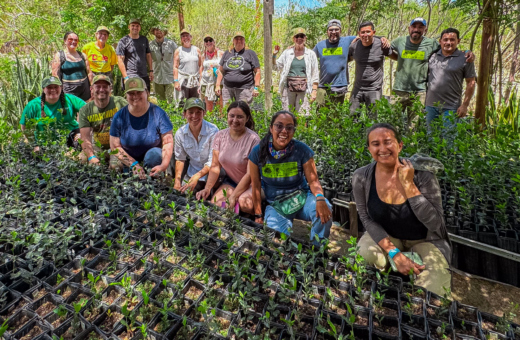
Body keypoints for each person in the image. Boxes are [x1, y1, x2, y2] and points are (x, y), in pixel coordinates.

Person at [352, 123, 451, 295]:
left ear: (400, 145)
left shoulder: (423, 175)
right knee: (364, 255)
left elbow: (436, 223)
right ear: (369, 149)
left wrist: (409, 185)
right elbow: (366, 218)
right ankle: (389, 270)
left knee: (435, 292)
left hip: (425, 241)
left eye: (388, 142)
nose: (382, 148)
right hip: (387, 237)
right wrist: (395, 253)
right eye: (375, 144)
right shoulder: (361, 177)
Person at [249, 111, 332, 245]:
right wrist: (258, 214)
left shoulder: (301, 150)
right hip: (277, 205)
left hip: (302, 199)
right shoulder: (257, 152)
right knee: (275, 243)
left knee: (325, 209)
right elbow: (256, 186)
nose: (284, 131)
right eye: (279, 126)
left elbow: (313, 180)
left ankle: (318, 251)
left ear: (293, 131)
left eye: (289, 127)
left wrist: (320, 198)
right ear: (271, 128)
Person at [389, 18, 474, 126]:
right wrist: (397, 56)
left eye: (420, 27)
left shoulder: (432, 44)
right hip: (399, 90)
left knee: (414, 127)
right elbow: (385, 49)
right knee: (391, 123)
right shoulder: (399, 41)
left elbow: (449, 47)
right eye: (414, 26)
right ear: (409, 28)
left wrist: (467, 51)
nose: (417, 29)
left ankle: (412, 144)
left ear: (425, 29)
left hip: (419, 93)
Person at [196, 101, 260, 214]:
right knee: (217, 206)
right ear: (227, 116)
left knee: (245, 204)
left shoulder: (253, 140)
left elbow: (250, 175)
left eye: (240, 117)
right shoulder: (220, 136)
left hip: (252, 183)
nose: (235, 120)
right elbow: (215, 166)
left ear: (247, 118)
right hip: (231, 181)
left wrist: (234, 196)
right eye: (232, 116)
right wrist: (207, 188)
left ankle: (254, 214)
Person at [109, 77, 173, 179]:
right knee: (115, 164)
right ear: (126, 95)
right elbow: (115, 147)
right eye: (131, 93)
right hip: (127, 155)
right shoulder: (119, 116)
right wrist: (133, 164)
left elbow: (167, 142)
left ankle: (153, 180)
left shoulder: (158, 113)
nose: (135, 96)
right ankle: (124, 184)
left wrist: (164, 165)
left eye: (139, 92)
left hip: (151, 155)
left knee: (155, 155)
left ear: (146, 92)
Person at [425, 28, 476, 127]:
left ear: (458, 41)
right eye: (445, 39)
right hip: (431, 106)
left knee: (448, 139)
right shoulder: (432, 56)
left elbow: (471, 82)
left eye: (452, 40)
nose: (448, 43)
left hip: (451, 107)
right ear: (440, 41)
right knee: (430, 138)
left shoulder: (465, 58)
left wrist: (465, 105)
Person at [20, 76, 85, 152]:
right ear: (43, 89)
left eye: (56, 87)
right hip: (45, 141)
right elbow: (24, 126)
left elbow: (87, 110)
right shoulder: (33, 105)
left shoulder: (70, 99)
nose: (53, 90)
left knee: (82, 143)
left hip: (71, 135)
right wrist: (34, 144)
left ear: (61, 88)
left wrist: (82, 132)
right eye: (49, 87)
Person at [78, 75, 128, 169]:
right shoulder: (85, 110)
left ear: (110, 89)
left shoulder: (120, 103)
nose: (101, 90)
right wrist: (91, 157)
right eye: (98, 86)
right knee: (82, 160)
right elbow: (85, 138)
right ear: (91, 89)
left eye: (105, 87)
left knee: (116, 167)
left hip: (118, 145)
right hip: (97, 146)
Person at [174, 97, 219, 194]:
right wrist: (177, 182)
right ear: (185, 114)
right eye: (190, 112)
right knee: (185, 195)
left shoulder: (213, 131)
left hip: (210, 174)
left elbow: (213, 161)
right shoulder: (180, 133)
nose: (194, 116)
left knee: (213, 200)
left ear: (204, 113)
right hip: (192, 173)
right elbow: (180, 159)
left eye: (199, 112)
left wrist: (198, 176)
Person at [348, 21, 393, 117]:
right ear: (359, 33)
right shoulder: (354, 46)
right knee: (352, 117)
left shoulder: (382, 45)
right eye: (362, 32)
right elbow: (346, 59)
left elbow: (395, 57)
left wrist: (382, 38)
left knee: (373, 118)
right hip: (357, 88)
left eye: (368, 32)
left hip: (374, 89)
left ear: (374, 32)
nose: (365, 35)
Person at [272, 28, 319, 115]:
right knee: (287, 115)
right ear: (293, 39)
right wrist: (274, 55)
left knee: (302, 116)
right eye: (297, 36)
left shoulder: (311, 54)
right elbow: (276, 67)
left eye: (302, 36)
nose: (299, 39)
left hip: (304, 89)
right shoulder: (287, 53)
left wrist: (314, 91)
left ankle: (301, 129)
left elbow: (315, 74)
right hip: (288, 88)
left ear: (305, 38)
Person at [312, 20, 357, 107]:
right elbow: (308, 57)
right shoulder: (320, 45)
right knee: (320, 113)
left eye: (336, 29)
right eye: (331, 30)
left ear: (340, 31)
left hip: (339, 85)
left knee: (335, 114)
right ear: (327, 32)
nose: (333, 32)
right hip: (323, 85)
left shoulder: (347, 41)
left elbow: (364, 36)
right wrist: (295, 48)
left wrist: (382, 38)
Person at [216, 32, 261, 106]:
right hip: (227, 89)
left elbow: (257, 72)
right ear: (233, 41)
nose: (239, 41)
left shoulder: (250, 53)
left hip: (245, 89)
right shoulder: (227, 53)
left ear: (244, 41)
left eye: (241, 39)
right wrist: (217, 85)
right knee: (227, 111)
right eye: (236, 39)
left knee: (243, 112)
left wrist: (256, 87)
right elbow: (220, 71)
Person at [52, 32, 91, 101]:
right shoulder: (59, 55)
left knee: (85, 108)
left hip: (84, 88)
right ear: (65, 41)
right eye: (70, 39)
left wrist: (93, 87)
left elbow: (89, 73)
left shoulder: (83, 55)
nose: (73, 42)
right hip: (68, 88)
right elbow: (55, 74)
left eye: (76, 40)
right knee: (70, 109)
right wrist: (58, 89)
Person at [116, 19, 154, 91]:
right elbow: (120, 60)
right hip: (130, 75)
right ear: (129, 27)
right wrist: (125, 77)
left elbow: (148, 55)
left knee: (145, 96)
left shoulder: (144, 39)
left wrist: (151, 71)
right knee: (132, 98)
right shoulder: (123, 41)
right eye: (133, 25)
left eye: (137, 26)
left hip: (144, 75)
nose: (135, 28)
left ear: (140, 28)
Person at [173, 29, 203, 103]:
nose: (185, 38)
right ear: (181, 39)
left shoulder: (197, 50)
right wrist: (176, 81)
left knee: (195, 103)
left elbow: (201, 66)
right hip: (183, 80)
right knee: (182, 103)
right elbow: (175, 67)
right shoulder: (178, 51)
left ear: (191, 37)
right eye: (183, 36)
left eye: (187, 36)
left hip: (195, 80)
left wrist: (200, 81)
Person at [149, 26, 177, 103]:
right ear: (154, 32)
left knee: (171, 101)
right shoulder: (150, 45)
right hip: (157, 77)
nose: (159, 31)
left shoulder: (171, 44)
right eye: (157, 30)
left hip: (170, 77)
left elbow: (178, 58)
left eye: (161, 30)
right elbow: (148, 60)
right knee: (160, 102)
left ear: (164, 32)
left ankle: (171, 115)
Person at [199, 34, 224, 112]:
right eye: (206, 41)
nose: (208, 42)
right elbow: (201, 68)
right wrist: (199, 83)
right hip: (206, 82)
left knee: (220, 104)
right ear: (204, 43)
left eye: (210, 40)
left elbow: (224, 68)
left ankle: (220, 121)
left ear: (214, 42)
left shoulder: (221, 54)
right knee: (208, 105)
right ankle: (210, 121)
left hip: (218, 82)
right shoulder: (203, 55)